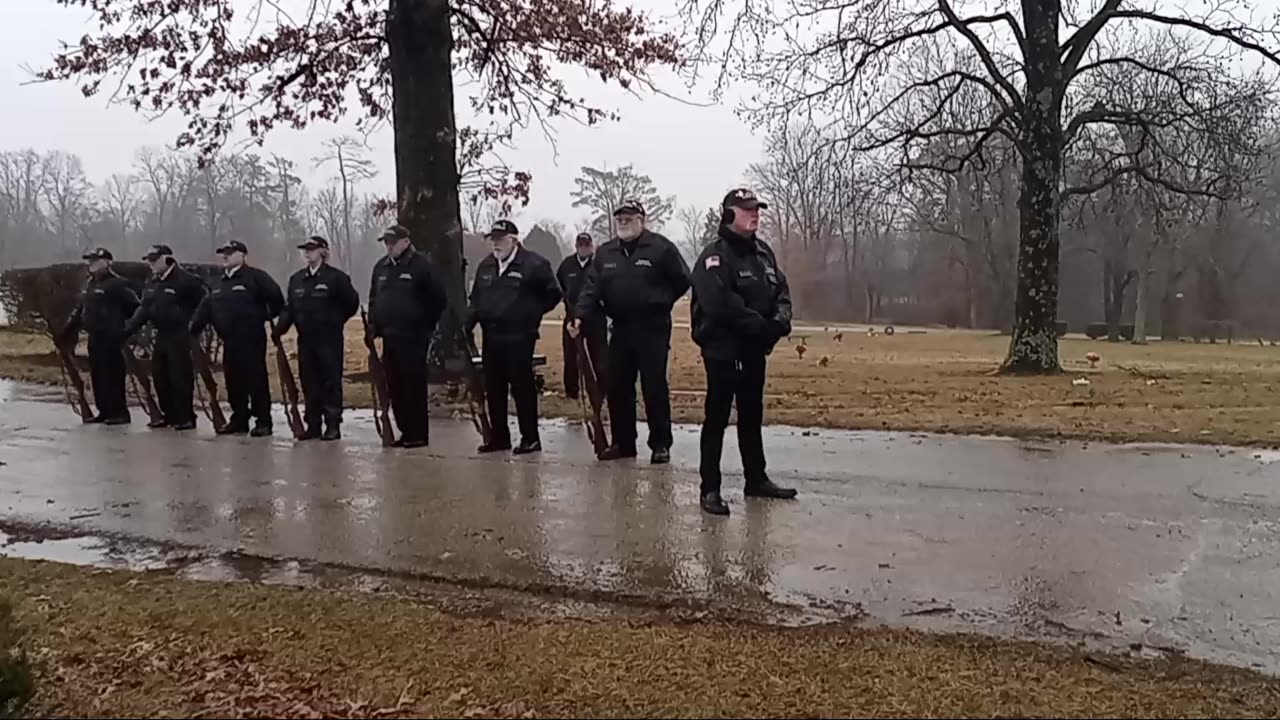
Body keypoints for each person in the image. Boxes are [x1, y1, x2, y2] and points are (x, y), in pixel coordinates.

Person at [690, 188, 797, 516]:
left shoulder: (763, 252)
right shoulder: (714, 257)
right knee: (717, 418)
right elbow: (721, 305)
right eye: (748, 209)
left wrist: (779, 322)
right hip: (723, 351)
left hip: (754, 351)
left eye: (757, 209)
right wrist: (761, 326)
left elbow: (781, 291)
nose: (755, 214)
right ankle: (710, 489)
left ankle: (756, 479)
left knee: (752, 416)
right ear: (729, 213)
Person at [571, 200, 690, 464]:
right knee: (618, 387)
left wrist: (662, 300)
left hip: (653, 328)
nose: (623, 224)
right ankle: (623, 443)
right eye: (620, 220)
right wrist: (579, 315)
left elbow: (683, 279)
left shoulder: (661, 248)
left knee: (654, 386)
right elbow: (592, 288)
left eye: (628, 219)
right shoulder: (605, 253)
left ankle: (660, 444)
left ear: (641, 220)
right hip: (621, 328)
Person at [466, 219, 563, 455]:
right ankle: (499, 438)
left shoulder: (534, 264)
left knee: (522, 387)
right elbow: (476, 299)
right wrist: (467, 323)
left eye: (500, 239)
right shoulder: (486, 266)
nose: (496, 244)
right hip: (492, 335)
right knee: (494, 388)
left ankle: (530, 438)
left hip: (520, 335)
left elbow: (553, 294)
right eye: (493, 240)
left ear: (513, 239)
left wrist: (530, 314)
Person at [189, 240, 285, 437]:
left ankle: (263, 421)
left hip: (251, 337)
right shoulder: (218, 282)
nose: (225, 256)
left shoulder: (256, 277)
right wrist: (193, 328)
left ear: (242, 255)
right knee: (234, 380)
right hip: (229, 340)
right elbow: (206, 307)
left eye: (230, 253)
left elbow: (276, 299)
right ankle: (239, 419)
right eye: (223, 253)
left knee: (256, 380)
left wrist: (263, 317)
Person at [367, 223, 447, 449]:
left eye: (392, 242)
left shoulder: (421, 266)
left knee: (413, 385)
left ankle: (418, 433)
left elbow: (438, 299)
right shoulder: (381, 268)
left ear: (405, 241)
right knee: (394, 385)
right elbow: (374, 299)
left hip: (413, 336)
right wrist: (374, 325)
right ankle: (404, 430)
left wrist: (425, 325)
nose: (389, 246)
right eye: (386, 242)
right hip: (389, 336)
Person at [274, 236, 360, 440]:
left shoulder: (336, 278)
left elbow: (351, 303)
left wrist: (336, 320)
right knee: (309, 383)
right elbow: (290, 308)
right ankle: (313, 424)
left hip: (329, 340)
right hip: (306, 340)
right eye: (305, 249)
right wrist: (280, 328)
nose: (307, 252)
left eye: (311, 249)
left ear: (323, 251)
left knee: (330, 382)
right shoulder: (297, 279)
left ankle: (332, 424)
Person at [124, 244, 207, 431]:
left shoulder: (186, 280)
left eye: (154, 260)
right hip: (161, 334)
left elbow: (204, 303)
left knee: (180, 377)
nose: (150, 264)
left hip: (180, 334)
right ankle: (169, 415)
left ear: (167, 259)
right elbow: (144, 307)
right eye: (149, 260)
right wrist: (128, 329)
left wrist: (194, 325)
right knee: (160, 377)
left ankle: (185, 417)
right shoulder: (153, 281)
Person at [57, 247, 140, 425]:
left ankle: (119, 412)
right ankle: (105, 410)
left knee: (113, 375)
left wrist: (125, 330)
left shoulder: (118, 284)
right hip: (94, 336)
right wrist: (67, 330)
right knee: (98, 375)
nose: (91, 264)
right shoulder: (90, 284)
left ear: (107, 262)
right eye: (90, 261)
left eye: (95, 261)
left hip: (112, 336)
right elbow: (81, 309)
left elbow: (135, 308)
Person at [556, 232, 607, 399]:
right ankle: (572, 391)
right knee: (571, 356)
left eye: (587, 245)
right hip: (571, 317)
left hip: (595, 318)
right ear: (576, 246)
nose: (584, 248)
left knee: (598, 355)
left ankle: (601, 390)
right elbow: (560, 286)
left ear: (591, 246)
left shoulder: (598, 264)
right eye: (581, 245)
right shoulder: (567, 265)